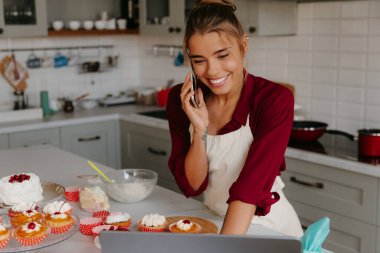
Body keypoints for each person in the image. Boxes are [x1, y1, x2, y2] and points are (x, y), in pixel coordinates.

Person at [166, 0, 303, 237]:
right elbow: (192, 185)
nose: (213, 71)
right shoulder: (183, 102)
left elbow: (249, 188)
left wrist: (225, 247)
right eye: (199, 60)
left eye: (223, 55)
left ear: (243, 45)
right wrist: (199, 130)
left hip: (267, 228)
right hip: (212, 220)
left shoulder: (272, 100)